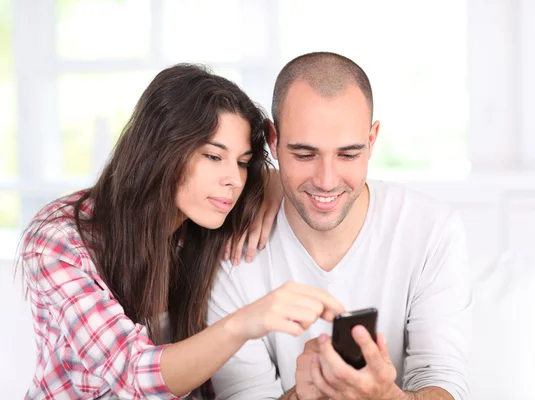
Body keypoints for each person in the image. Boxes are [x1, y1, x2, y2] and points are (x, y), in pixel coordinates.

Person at [18, 64, 344, 400]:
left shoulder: (204, 226)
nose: (233, 178)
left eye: (243, 162)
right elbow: (133, 376)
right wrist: (246, 322)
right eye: (214, 156)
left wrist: (275, 184)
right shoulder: (59, 241)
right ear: (161, 150)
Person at [207, 52, 473, 400]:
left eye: (348, 155)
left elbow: (445, 381)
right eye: (304, 155)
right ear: (272, 140)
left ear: (372, 140)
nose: (327, 181)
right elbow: (243, 393)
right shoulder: (232, 251)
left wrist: (385, 397)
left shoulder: (432, 232)